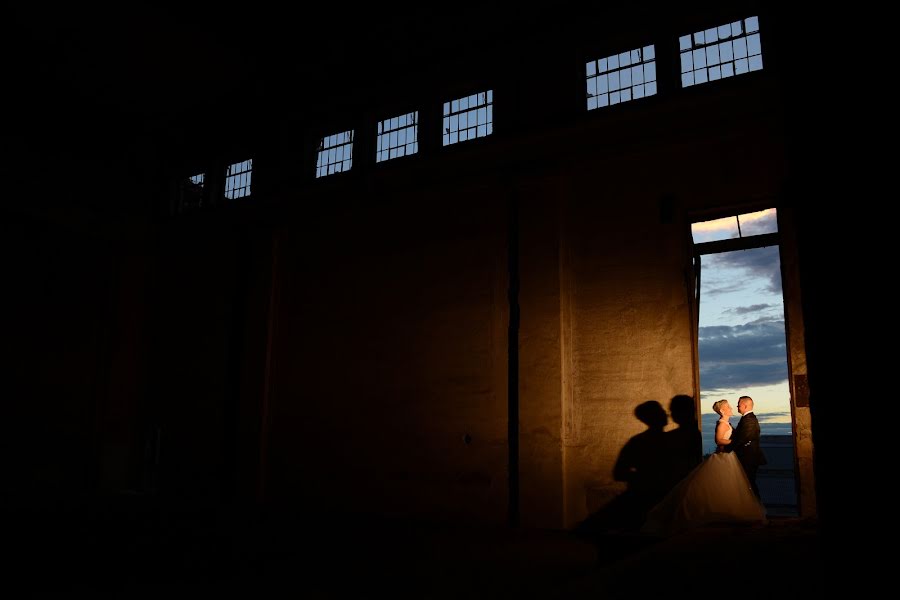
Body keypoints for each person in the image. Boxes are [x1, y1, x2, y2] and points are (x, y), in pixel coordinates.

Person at [640, 399, 766, 536]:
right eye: (728, 406)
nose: (732, 408)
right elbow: (719, 440)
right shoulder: (722, 424)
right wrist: (733, 443)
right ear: (722, 410)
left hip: (730, 457)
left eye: (733, 405)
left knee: (732, 486)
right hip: (724, 457)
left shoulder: (730, 423)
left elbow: (740, 437)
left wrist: (734, 443)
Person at [728, 395, 768, 499]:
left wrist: (727, 449)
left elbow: (743, 438)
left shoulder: (749, 420)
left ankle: (756, 507)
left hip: (749, 458)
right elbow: (741, 434)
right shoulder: (746, 418)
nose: (737, 407)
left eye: (738, 405)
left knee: (748, 483)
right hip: (747, 457)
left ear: (744, 406)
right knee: (747, 483)